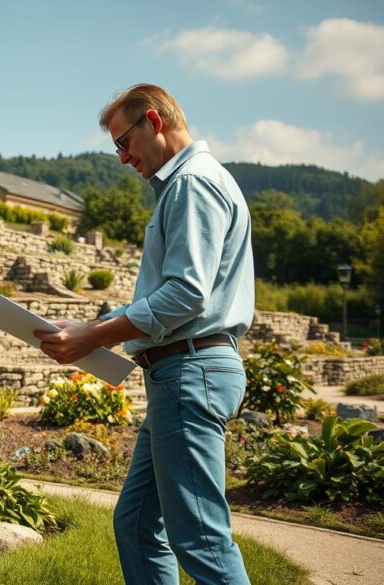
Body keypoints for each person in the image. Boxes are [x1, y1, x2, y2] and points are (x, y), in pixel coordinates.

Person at [34, 84, 254, 585]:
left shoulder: (192, 184)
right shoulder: (190, 184)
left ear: (153, 122)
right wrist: (90, 327)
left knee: (201, 541)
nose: (121, 158)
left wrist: (96, 338)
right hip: (181, 372)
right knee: (135, 524)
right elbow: (169, 293)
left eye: (122, 142)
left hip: (189, 372)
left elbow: (184, 295)